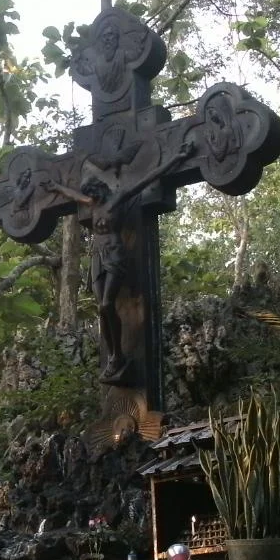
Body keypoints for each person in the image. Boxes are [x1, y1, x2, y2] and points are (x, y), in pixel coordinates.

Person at [50, 138, 195, 381]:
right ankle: (114, 357)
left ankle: (117, 354)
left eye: (92, 192)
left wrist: (177, 158)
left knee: (107, 304)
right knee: (101, 308)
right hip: (97, 256)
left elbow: (147, 179)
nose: (89, 197)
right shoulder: (92, 203)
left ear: (99, 189)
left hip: (115, 254)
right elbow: (73, 195)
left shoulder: (117, 199)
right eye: (88, 195)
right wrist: (55, 186)